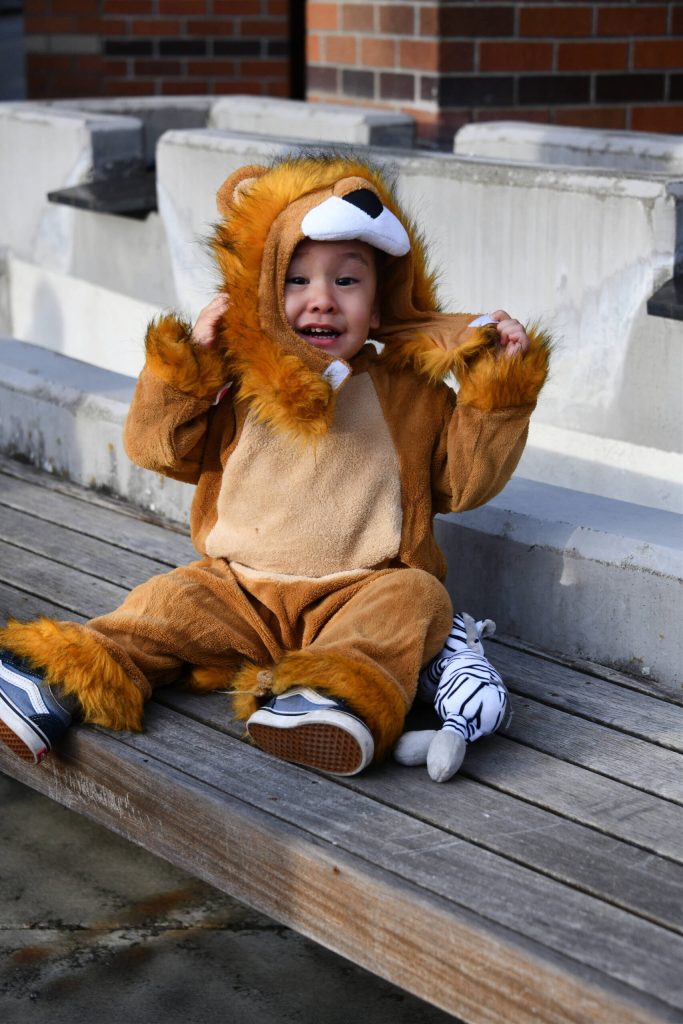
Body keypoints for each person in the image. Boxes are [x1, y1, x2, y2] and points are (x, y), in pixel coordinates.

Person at [0, 154, 551, 776]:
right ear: (263, 289)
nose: (321, 301)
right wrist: (188, 370)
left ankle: (333, 694)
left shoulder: (411, 392)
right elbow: (158, 448)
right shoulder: (239, 380)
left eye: (347, 281)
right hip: (236, 587)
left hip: (358, 590)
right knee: (163, 604)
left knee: (417, 598)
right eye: (296, 281)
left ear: (380, 303)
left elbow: (464, 483)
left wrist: (497, 392)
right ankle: (53, 679)